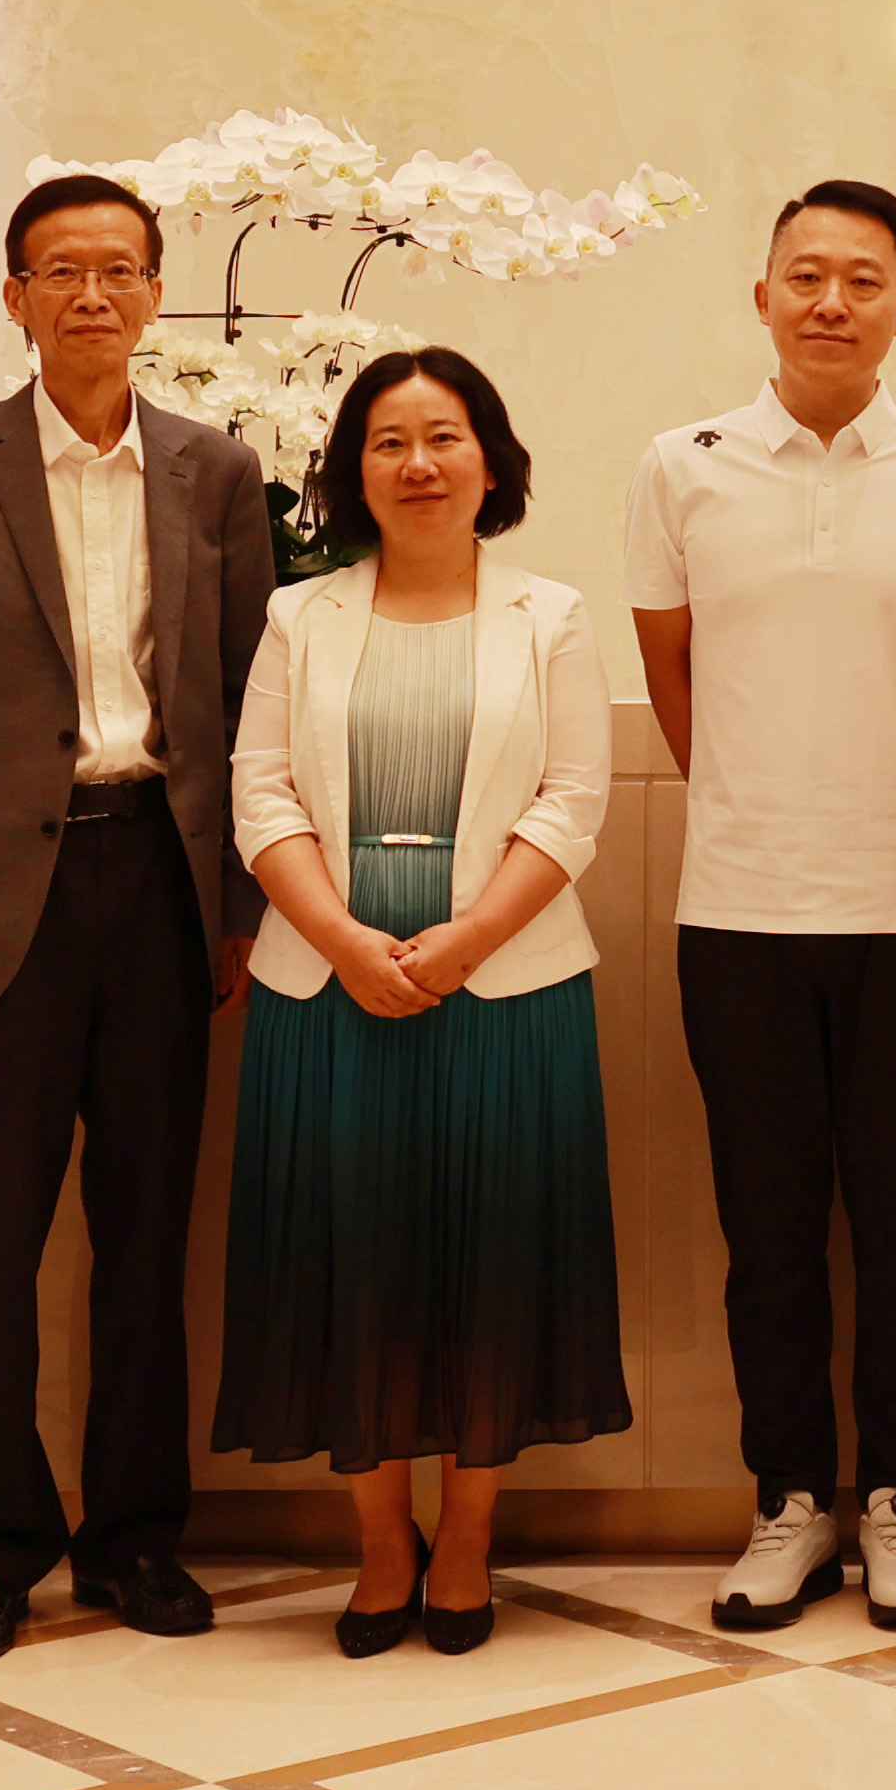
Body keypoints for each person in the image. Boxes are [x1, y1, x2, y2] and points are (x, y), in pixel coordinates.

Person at [0, 171, 277, 1667]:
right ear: (16, 298)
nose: (92, 293)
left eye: (118, 269)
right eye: (61, 270)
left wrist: (234, 904)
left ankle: (137, 1536)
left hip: (160, 885)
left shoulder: (216, 471)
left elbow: (246, 700)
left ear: (155, 294)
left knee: (147, 1235)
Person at [223, 348, 629, 1657]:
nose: (417, 463)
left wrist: (462, 942)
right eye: (387, 441)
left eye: (443, 436)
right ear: (353, 472)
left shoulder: (549, 614)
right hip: (325, 979)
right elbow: (259, 793)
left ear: (491, 462)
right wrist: (347, 941)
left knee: (492, 1260)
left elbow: (573, 799)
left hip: (506, 983)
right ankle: (380, 1540)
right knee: (351, 1256)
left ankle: (466, 1536)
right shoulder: (300, 616)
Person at [627, 179, 896, 1634]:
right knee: (766, 1236)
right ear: (763, 296)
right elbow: (671, 670)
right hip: (739, 910)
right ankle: (788, 1500)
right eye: (805, 276)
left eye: (862, 279)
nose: (831, 301)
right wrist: (752, 800)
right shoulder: (682, 465)